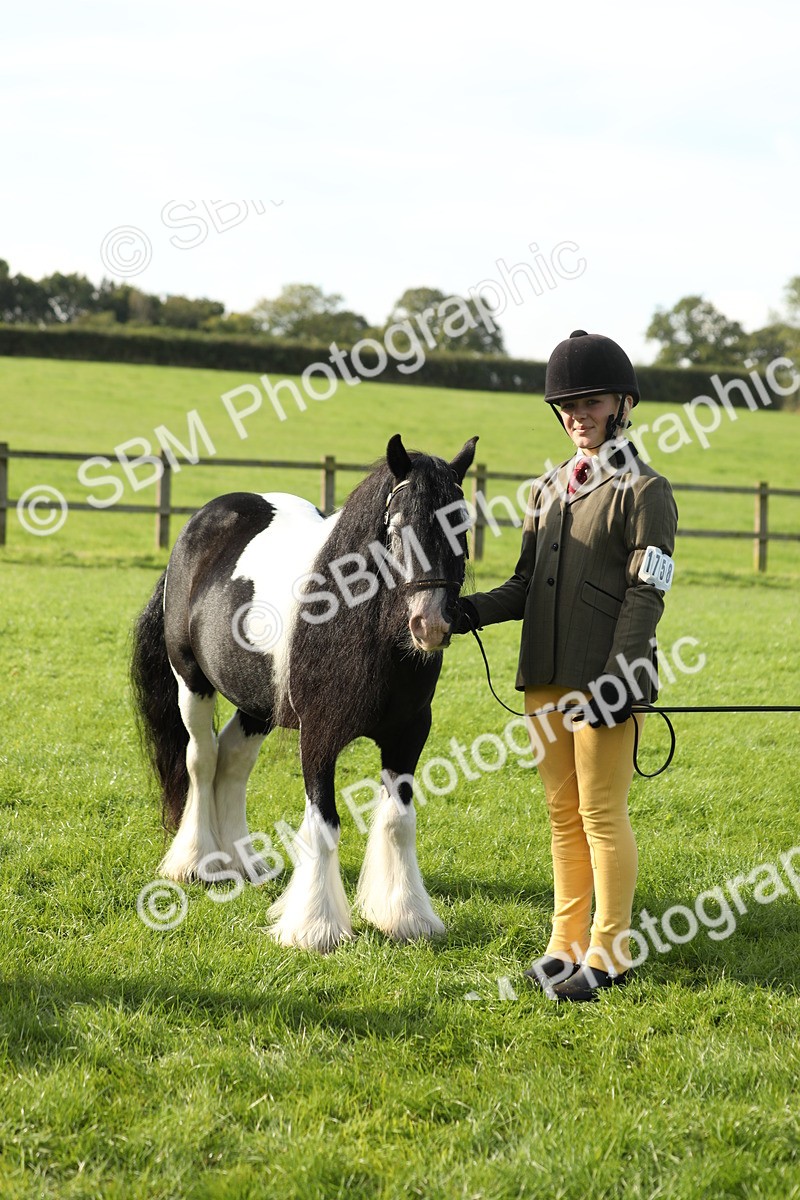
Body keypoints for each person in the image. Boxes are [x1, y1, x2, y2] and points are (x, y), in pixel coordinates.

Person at [453, 330, 678, 1002]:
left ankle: (610, 952)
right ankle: (564, 943)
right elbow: (524, 586)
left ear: (623, 403)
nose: (577, 413)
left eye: (591, 401)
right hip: (543, 675)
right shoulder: (545, 489)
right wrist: (465, 612)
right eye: (567, 404)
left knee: (602, 812)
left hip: (604, 682)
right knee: (562, 813)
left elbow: (648, 590)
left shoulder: (646, 490)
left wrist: (620, 677)